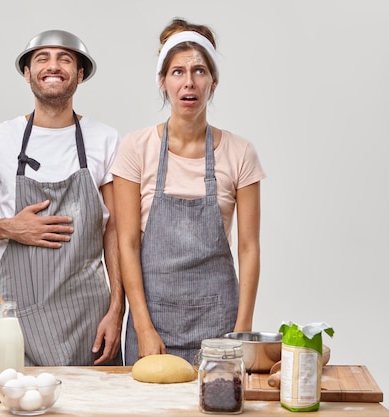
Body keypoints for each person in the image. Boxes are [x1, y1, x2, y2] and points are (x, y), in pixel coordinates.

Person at [0, 30, 124, 366]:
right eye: (42, 58)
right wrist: (10, 227)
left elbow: (115, 231)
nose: (53, 66)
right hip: (22, 323)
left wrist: (117, 310)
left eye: (65, 59)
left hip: (92, 320)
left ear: (80, 74)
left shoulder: (105, 139)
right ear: (27, 73)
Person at [111, 18, 265, 365]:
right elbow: (127, 244)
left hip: (220, 324)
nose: (189, 82)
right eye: (177, 72)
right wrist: (143, 326)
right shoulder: (136, 148)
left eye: (199, 71)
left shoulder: (240, 153)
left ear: (214, 82)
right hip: (152, 322)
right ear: (162, 82)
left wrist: (242, 332)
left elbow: (249, 247)